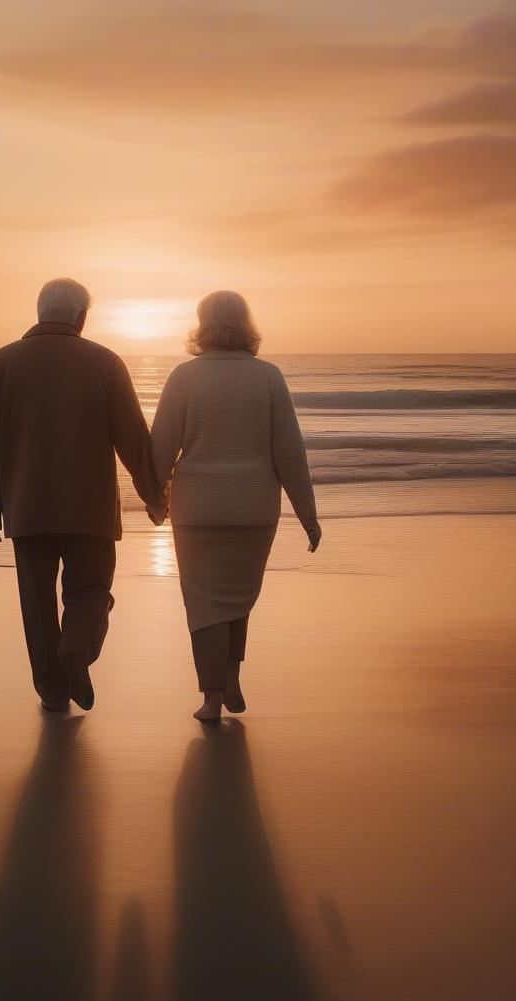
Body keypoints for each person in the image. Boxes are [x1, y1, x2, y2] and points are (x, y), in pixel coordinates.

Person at [0, 278, 166, 713]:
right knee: (92, 589)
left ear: (40, 312)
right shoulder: (105, 362)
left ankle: (53, 690)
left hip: (27, 506)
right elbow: (133, 439)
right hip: (90, 509)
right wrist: (155, 496)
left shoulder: (3, 362)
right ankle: (77, 646)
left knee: (37, 602)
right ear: (81, 317)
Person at [151, 291, 321, 722]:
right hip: (254, 507)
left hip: (199, 510)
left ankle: (212, 697)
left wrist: (156, 498)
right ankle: (231, 679)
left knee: (205, 602)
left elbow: (160, 448)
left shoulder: (184, 377)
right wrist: (308, 515)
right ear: (246, 323)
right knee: (237, 598)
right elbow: (290, 453)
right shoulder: (268, 377)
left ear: (201, 323)